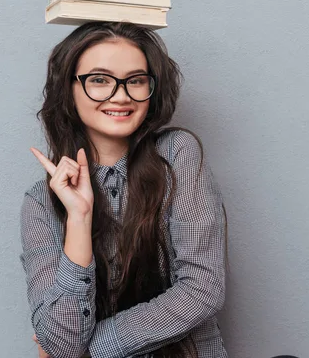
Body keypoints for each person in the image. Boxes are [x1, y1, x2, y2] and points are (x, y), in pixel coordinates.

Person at [19, 21, 227, 358]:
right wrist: (79, 218)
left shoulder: (176, 154)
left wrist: (90, 350)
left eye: (136, 80)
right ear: (68, 88)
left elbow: (202, 290)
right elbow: (61, 343)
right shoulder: (41, 203)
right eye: (99, 80)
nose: (121, 95)